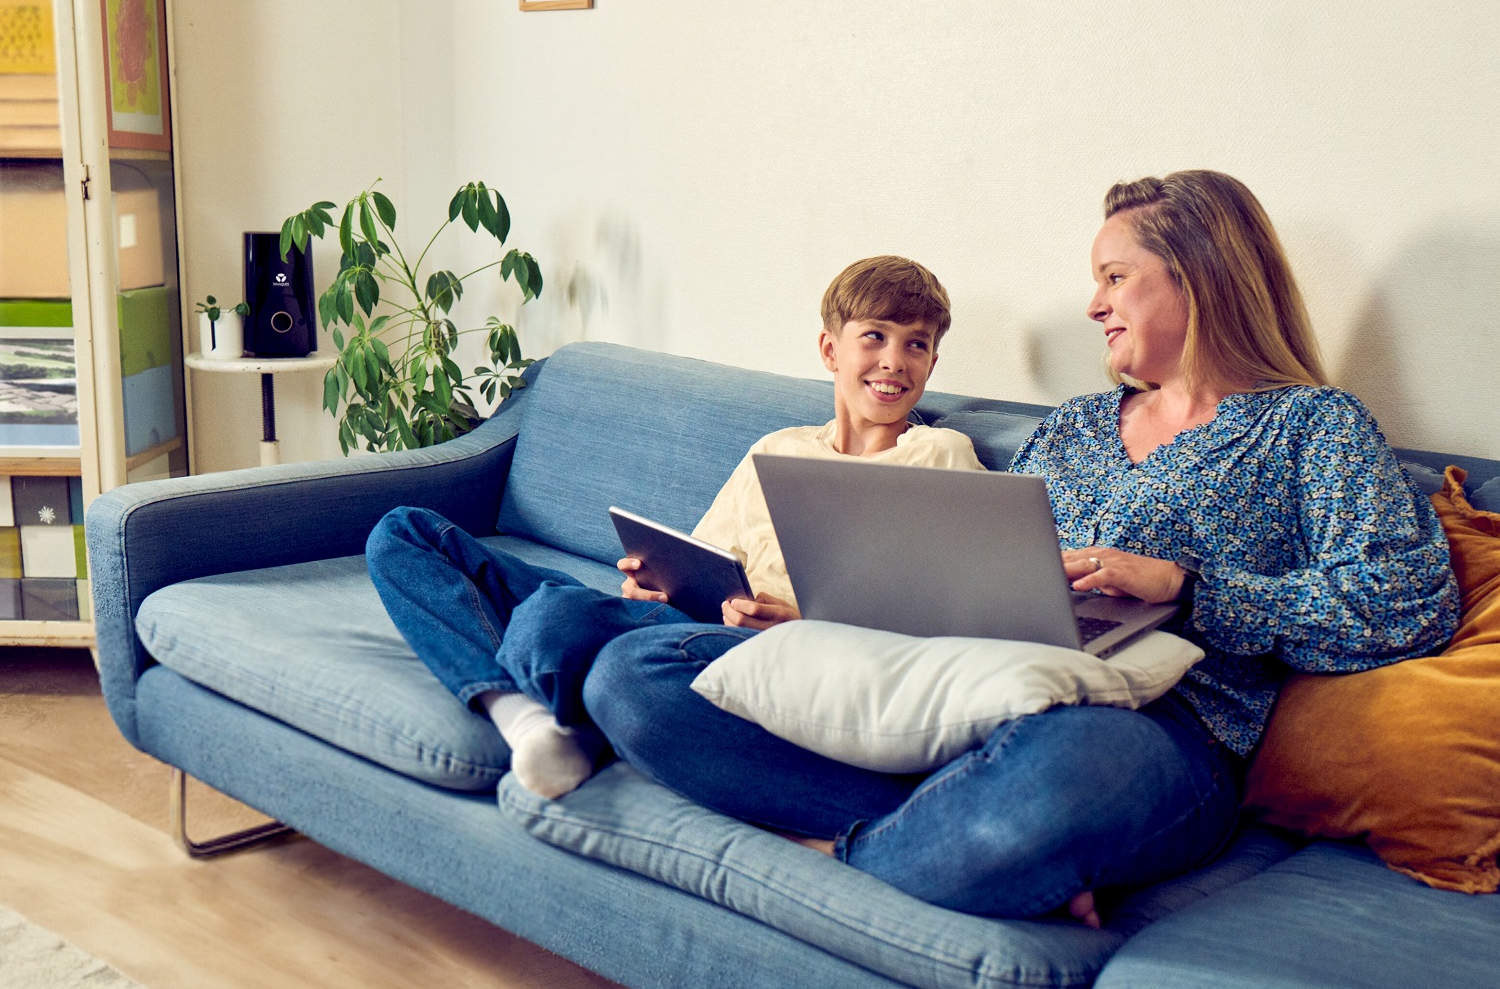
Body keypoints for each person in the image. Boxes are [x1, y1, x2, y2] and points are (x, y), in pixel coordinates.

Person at [582, 169, 1461, 927]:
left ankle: (844, 845)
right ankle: (948, 846)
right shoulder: (1074, 426)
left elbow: (1409, 605)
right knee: (637, 675)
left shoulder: (1312, 425)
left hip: (1151, 732)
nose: (1092, 304)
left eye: (1115, 276)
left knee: (1050, 790)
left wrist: (1192, 588)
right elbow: (951, 572)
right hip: (958, 689)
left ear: (1199, 276)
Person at [365, 255, 982, 799]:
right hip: (682, 621)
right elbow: (705, 556)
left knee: (553, 622)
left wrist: (801, 621)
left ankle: (551, 712)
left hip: (764, 652)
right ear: (829, 349)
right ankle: (527, 720)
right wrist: (655, 581)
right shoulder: (778, 447)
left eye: (917, 344)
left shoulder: (940, 454)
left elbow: (950, 613)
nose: (894, 363)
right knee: (404, 533)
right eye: (874, 337)